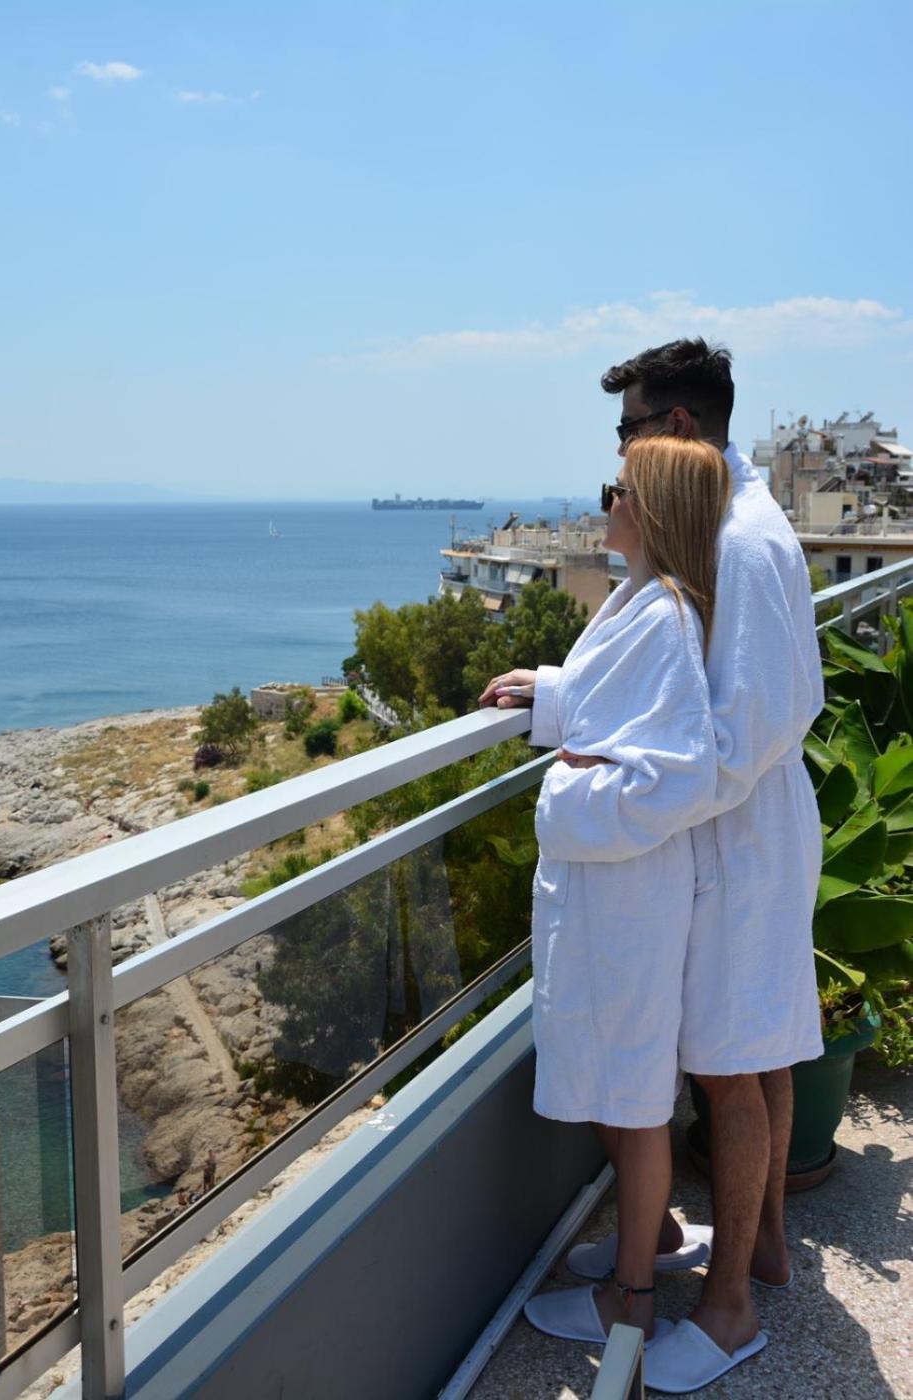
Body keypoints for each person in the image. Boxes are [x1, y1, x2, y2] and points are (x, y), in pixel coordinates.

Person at [481, 339, 824, 1393]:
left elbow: (728, 739)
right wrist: (560, 697)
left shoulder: (744, 541)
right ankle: (743, 1251)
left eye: (626, 431)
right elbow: (676, 685)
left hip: (735, 845)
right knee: (746, 1052)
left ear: (674, 428)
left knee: (730, 1061)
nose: (618, 452)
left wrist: (592, 790)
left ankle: (728, 1307)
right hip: (717, 836)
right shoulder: (716, 524)